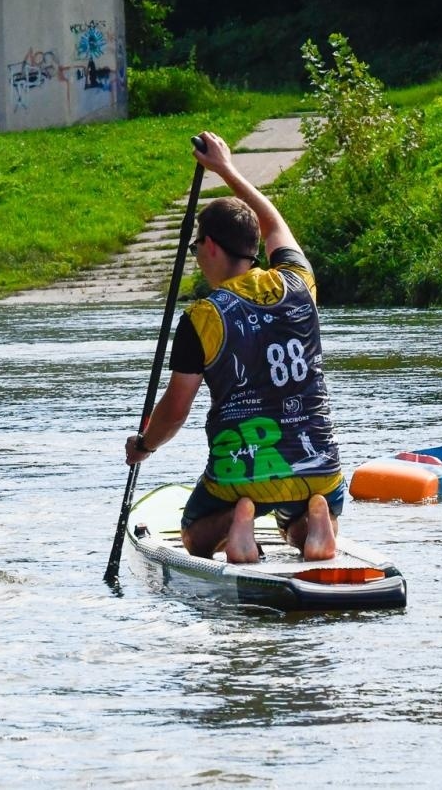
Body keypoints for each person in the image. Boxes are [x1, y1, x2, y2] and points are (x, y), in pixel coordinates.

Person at [123, 132, 344, 564]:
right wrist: (227, 170)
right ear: (253, 247)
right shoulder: (300, 283)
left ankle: (236, 524)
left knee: (195, 535)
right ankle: (315, 525)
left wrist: (145, 446)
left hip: (240, 470)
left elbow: (175, 408)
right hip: (319, 463)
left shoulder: (202, 317)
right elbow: (275, 224)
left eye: (195, 249)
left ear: (208, 246)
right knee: (299, 513)